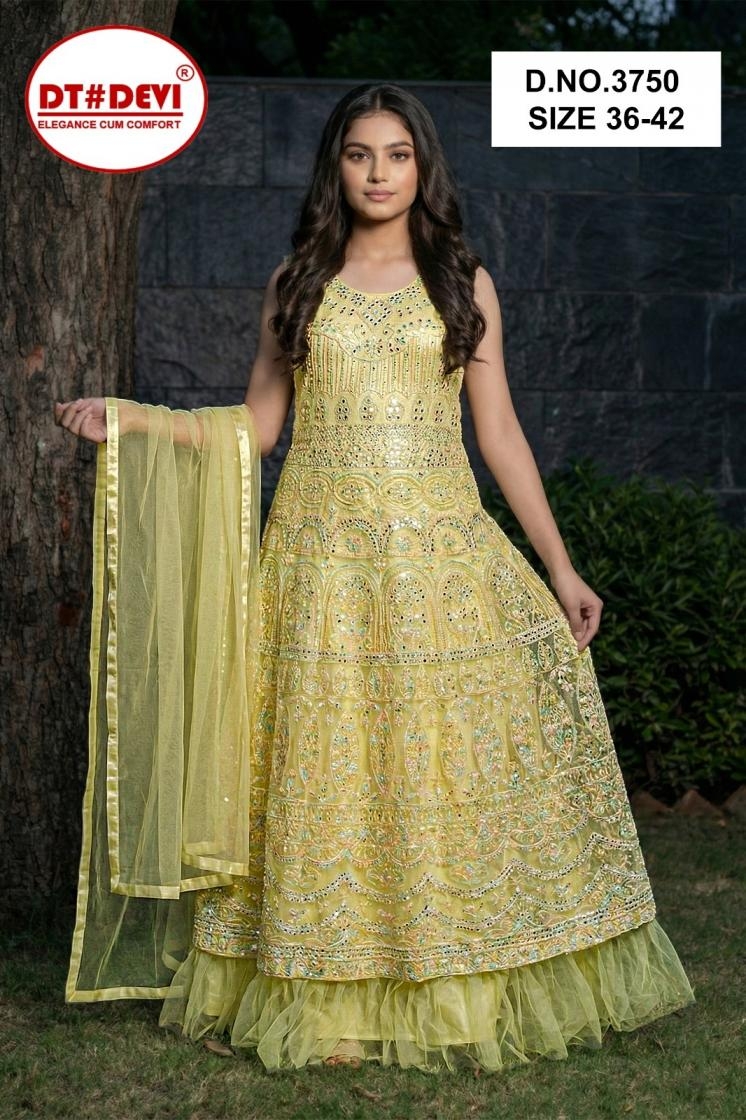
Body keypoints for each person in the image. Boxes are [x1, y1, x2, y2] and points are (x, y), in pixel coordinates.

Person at [55, 81, 694, 1073]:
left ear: (422, 166)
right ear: (336, 168)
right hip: (320, 569)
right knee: (329, 778)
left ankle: (450, 987)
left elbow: (499, 434)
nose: (379, 173)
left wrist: (560, 566)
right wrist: (138, 421)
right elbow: (257, 428)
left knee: (433, 774)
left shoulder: (461, 281)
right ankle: (327, 998)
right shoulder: (297, 281)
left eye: (397, 154)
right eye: (359, 154)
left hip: (436, 564)